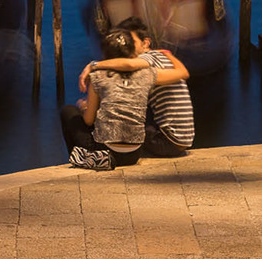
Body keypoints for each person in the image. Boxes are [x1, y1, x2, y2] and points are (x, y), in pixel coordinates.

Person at [78, 16, 192, 158]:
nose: (127, 46)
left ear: (145, 43)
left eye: (130, 42)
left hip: (166, 140)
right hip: (181, 140)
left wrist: (94, 66)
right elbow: (183, 72)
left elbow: (129, 65)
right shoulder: (160, 57)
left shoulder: (148, 58)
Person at [60, 28, 152, 171]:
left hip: (107, 152)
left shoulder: (98, 77)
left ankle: (82, 158)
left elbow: (88, 120)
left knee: (68, 111)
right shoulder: (147, 74)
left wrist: (84, 107)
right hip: (134, 153)